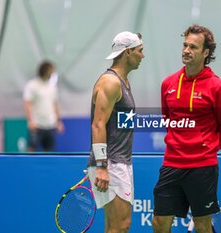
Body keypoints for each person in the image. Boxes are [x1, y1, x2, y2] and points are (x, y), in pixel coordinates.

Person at [152, 24, 221, 233]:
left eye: (193, 47)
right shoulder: (168, 83)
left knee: (202, 225)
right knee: (159, 223)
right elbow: (168, 119)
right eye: (185, 45)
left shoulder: (218, 87)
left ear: (206, 52)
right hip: (171, 163)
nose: (186, 50)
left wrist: (206, 148)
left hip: (202, 168)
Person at [86, 31, 144, 233]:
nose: (142, 56)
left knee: (116, 226)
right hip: (110, 163)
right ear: (127, 52)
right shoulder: (110, 82)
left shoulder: (123, 81)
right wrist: (101, 166)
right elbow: (98, 125)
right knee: (120, 226)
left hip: (121, 162)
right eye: (140, 51)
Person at [23, 60, 64, 152]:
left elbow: (55, 104)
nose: (52, 73)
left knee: (49, 152)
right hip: (37, 125)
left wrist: (58, 121)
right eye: (51, 71)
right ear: (44, 70)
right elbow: (27, 103)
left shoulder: (52, 87)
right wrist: (30, 121)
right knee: (31, 150)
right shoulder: (32, 85)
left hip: (50, 125)